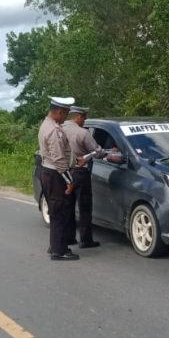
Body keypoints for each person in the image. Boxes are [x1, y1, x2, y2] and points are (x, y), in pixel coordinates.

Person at [38, 96, 80, 260]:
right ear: (58, 112)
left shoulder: (46, 124)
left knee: (56, 210)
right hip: (55, 174)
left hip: (48, 172)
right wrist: (69, 181)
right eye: (65, 113)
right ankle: (59, 251)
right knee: (60, 212)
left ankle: (55, 245)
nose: (66, 117)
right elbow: (59, 159)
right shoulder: (54, 130)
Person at [62, 105, 104, 249]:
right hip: (80, 172)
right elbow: (97, 152)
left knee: (68, 206)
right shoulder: (82, 133)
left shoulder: (59, 130)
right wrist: (100, 151)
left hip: (63, 172)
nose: (85, 120)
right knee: (84, 207)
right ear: (77, 116)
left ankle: (69, 237)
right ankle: (85, 240)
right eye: (84, 117)